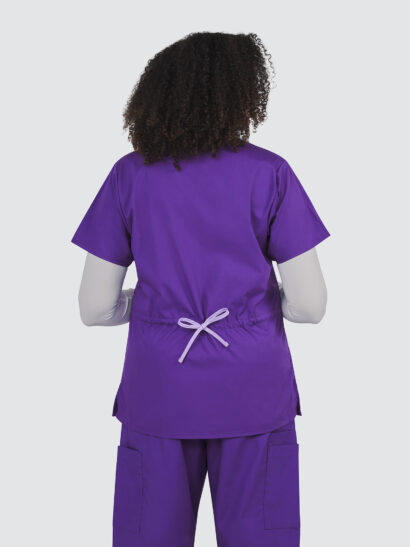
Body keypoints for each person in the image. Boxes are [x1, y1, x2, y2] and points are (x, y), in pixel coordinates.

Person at [71, 31, 330, 547]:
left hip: (159, 391)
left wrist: (152, 306)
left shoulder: (129, 176)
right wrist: (253, 308)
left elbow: (95, 307)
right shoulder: (270, 173)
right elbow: (310, 305)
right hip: (255, 394)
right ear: (242, 94)